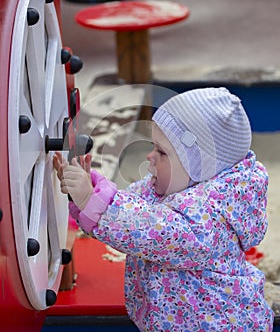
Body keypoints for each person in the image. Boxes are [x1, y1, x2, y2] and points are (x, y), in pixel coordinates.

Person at [54, 87, 274, 331]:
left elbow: (148, 229)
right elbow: (128, 212)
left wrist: (91, 200)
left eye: (161, 151)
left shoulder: (206, 221)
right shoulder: (167, 187)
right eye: (152, 145)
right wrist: (89, 193)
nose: (150, 155)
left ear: (200, 167)